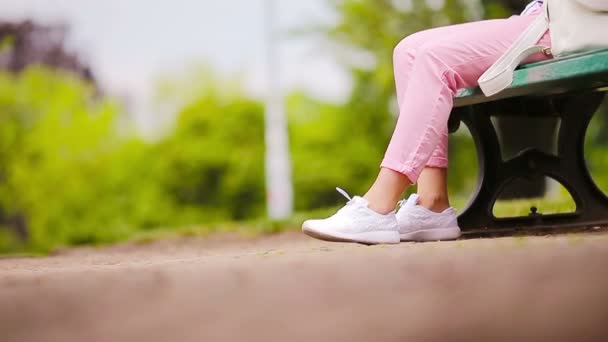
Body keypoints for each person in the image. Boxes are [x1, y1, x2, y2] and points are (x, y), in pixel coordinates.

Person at [302, 1, 550, 245]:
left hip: (565, 22)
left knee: (435, 59)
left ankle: (378, 204)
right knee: (407, 51)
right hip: (541, 15)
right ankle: (432, 203)